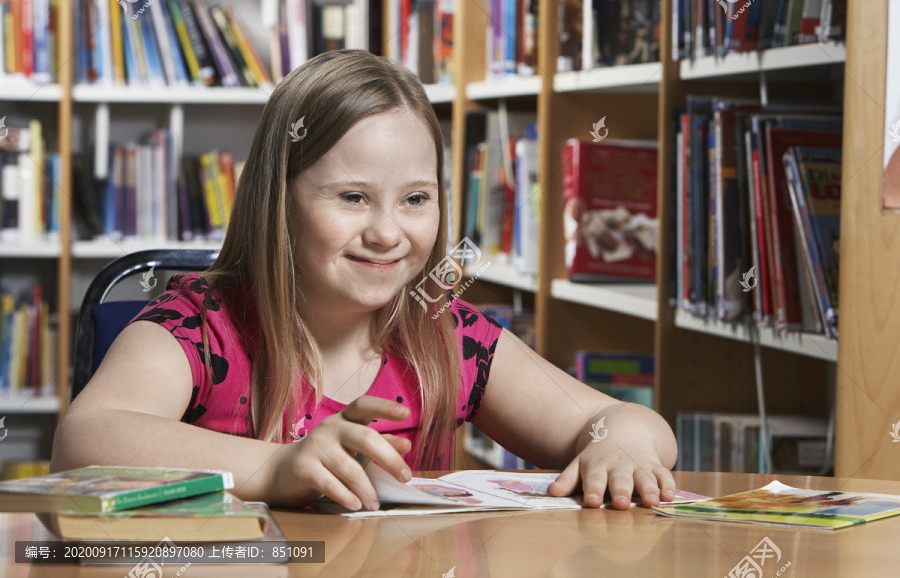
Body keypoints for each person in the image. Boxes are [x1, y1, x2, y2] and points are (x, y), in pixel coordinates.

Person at [51, 49, 677, 513]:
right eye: (353, 197)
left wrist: (620, 450)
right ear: (279, 203)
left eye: (415, 199)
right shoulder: (200, 325)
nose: (387, 233)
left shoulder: (444, 337)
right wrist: (277, 468)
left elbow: (619, 419)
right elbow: (84, 440)